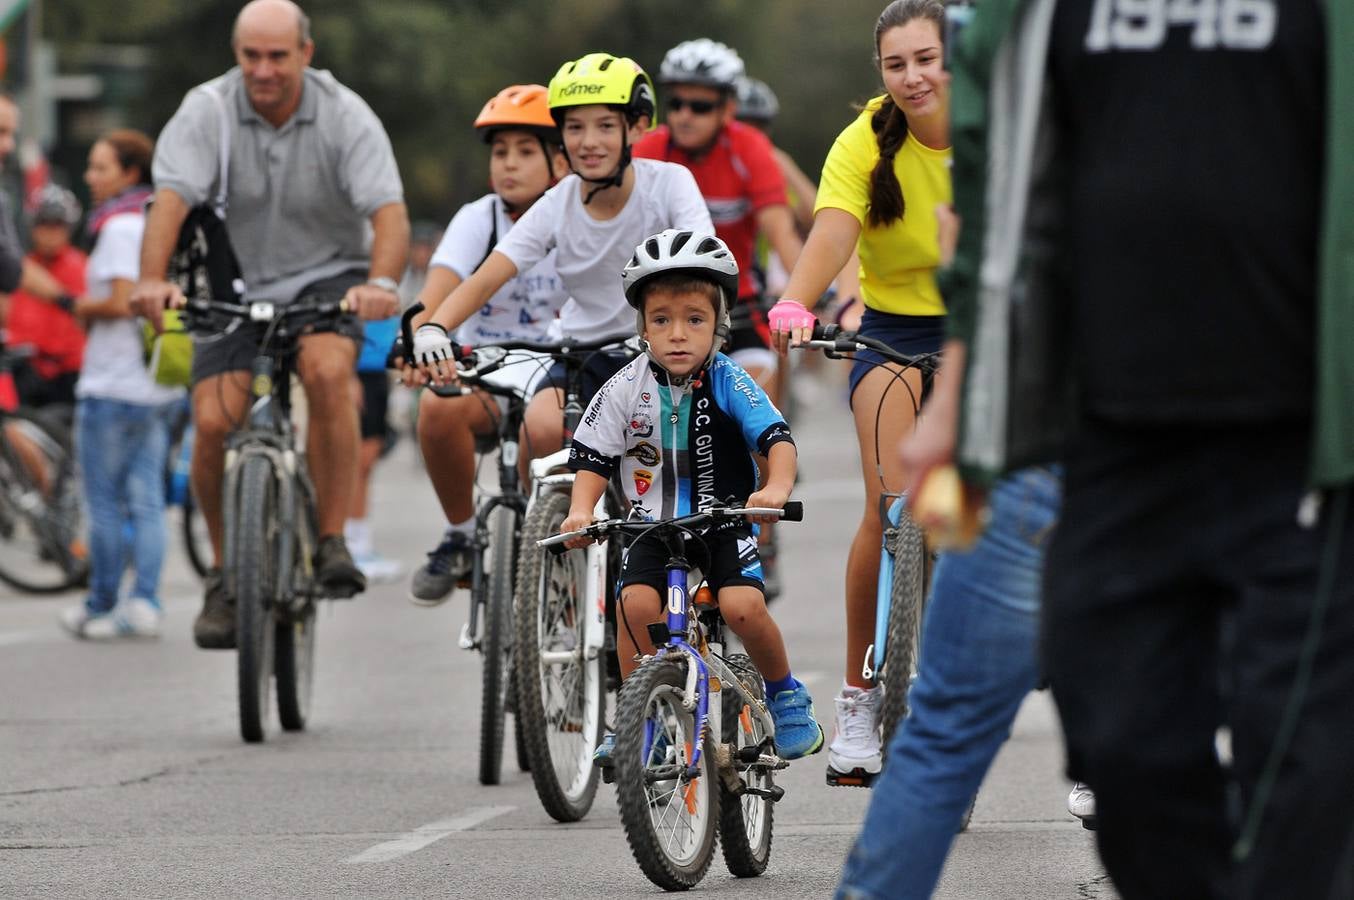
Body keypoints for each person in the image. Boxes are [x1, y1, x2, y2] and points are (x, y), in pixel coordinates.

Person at [923, 2, 1354, 898]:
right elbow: (996, 203)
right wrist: (957, 393)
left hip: (1303, 452)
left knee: (1304, 775)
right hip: (1114, 440)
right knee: (1121, 750)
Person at [131, 0, 409, 650]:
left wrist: (383, 284)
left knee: (326, 369)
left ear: (305, 54)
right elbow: (169, 202)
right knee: (209, 421)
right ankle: (226, 576)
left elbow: (389, 214)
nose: (263, 70)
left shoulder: (345, 115)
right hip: (231, 282)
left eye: (277, 56)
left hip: (328, 278)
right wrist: (151, 280)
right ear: (237, 54)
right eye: (251, 55)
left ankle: (334, 539)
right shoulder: (206, 109)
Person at [768, 0, 951, 787]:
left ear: (957, 58)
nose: (912, 77)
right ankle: (858, 701)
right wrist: (797, 301)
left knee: (1036, 520)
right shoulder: (864, 141)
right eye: (895, 63)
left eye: (926, 58)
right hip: (894, 335)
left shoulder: (996, 124)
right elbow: (835, 228)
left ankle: (1091, 731)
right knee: (888, 507)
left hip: (993, 326)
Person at [559, 229, 822, 765]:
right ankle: (637, 716)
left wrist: (774, 487)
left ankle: (786, 693)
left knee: (742, 605)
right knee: (633, 607)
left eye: (694, 320)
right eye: (661, 320)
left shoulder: (730, 378)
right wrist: (581, 509)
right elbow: (591, 456)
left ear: (719, 324)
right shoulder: (624, 385)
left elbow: (776, 439)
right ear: (642, 327)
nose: (678, 334)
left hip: (722, 520)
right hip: (649, 525)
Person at [411, 52, 712, 463]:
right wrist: (434, 328)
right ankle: (540, 526)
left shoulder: (670, 184)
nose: (588, 142)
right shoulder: (558, 202)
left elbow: (704, 264)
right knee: (539, 432)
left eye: (605, 126)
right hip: (577, 358)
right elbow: (488, 277)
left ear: (637, 127)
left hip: (657, 355)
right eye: (574, 128)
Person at [405, 84, 570, 605]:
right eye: (500, 153)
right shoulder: (479, 218)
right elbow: (435, 294)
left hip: (559, 370)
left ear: (559, 161)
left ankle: (543, 544)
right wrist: (416, 344)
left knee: (541, 430)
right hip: (485, 368)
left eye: (525, 152)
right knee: (436, 409)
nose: (509, 165)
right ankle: (460, 536)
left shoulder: (576, 214)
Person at [58, 129, 181, 640]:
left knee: (104, 503)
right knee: (147, 500)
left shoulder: (118, 229)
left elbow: (122, 300)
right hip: (154, 388)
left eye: (101, 167)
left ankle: (102, 604)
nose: (91, 177)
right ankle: (146, 600)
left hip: (111, 385)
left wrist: (77, 305)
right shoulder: (156, 223)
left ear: (130, 173)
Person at [0, 95, 81, 333]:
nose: (9, 146)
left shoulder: (78, 266)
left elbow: (10, 268)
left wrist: (71, 303)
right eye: (1, 132)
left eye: (11, 134)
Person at [6, 186, 87, 410]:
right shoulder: (19, 268)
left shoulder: (81, 266)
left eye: (58, 225)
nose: (50, 233)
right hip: (26, 371)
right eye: (44, 224)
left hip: (69, 374)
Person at [345, 313, 402, 583]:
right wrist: (347, 372)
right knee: (359, 461)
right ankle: (354, 546)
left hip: (377, 367)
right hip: (358, 368)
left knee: (367, 459)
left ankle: (359, 543)